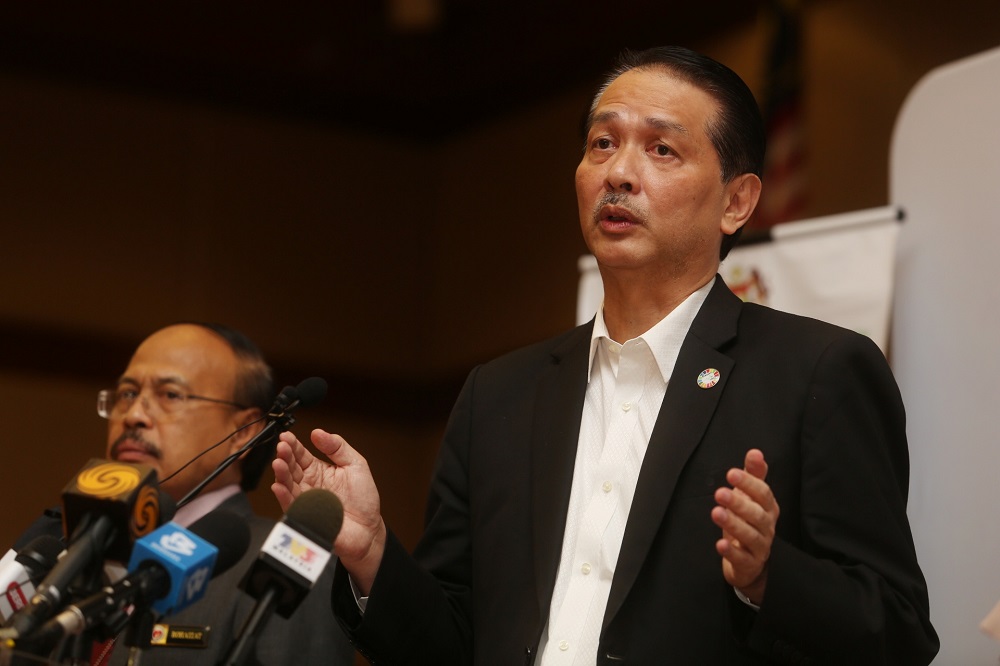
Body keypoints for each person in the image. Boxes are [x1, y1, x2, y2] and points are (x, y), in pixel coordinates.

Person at [272, 46, 939, 664]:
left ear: (737, 201)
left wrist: (770, 578)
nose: (619, 172)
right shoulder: (499, 396)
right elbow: (453, 642)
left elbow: (899, 631)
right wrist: (373, 556)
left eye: (661, 150)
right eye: (603, 143)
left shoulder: (817, 371)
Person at [15, 323, 356, 666]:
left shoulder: (283, 566)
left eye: (170, 395)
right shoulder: (68, 555)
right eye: (128, 394)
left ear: (245, 431)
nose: (133, 416)